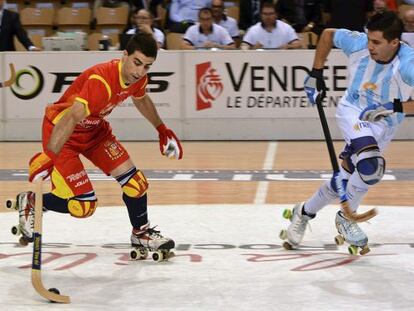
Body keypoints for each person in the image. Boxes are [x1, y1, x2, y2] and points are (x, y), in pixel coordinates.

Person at [16, 33, 182, 257]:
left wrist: (161, 129)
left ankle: (141, 234)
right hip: (64, 135)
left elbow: (141, 99)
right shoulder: (100, 82)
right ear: (124, 55)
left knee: (136, 183)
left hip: (94, 131)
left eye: (147, 66)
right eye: (137, 63)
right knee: (83, 206)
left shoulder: (138, 78)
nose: (140, 72)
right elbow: (71, 118)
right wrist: (50, 155)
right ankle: (34, 201)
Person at [283, 11, 414, 254]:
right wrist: (316, 73)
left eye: (377, 42)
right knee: (371, 167)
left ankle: (302, 212)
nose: (370, 47)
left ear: (394, 42)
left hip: (385, 124)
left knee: (346, 177)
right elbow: (328, 35)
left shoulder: (408, 64)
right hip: (354, 111)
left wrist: (395, 106)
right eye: (369, 40)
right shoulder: (358, 43)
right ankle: (346, 219)